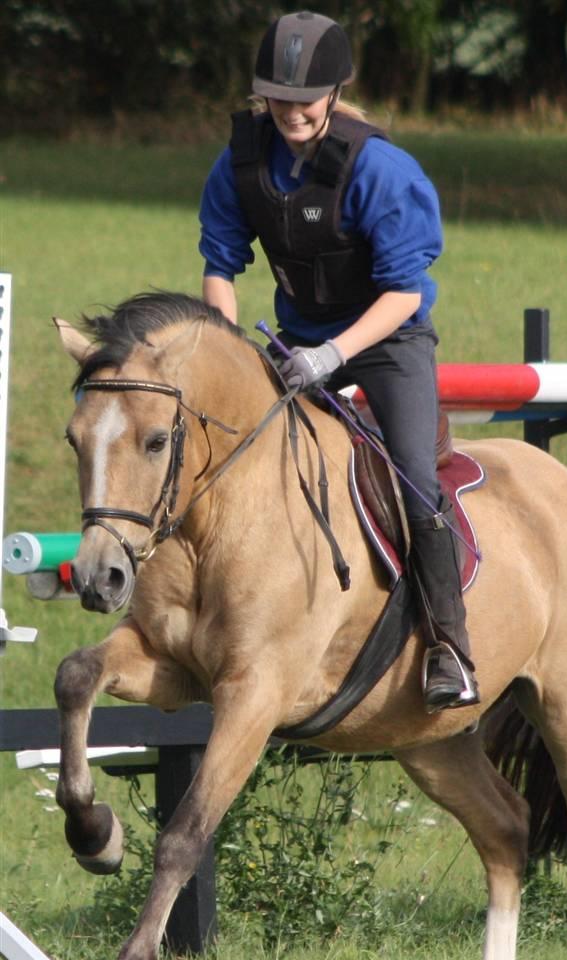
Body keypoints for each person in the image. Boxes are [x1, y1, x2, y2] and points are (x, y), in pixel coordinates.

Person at [199, 10, 479, 714]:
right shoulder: (239, 161)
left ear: (333, 92)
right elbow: (219, 266)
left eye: (305, 97)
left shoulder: (380, 167)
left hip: (386, 342)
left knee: (416, 479)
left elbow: (403, 292)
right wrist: (227, 350)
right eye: (277, 97)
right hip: (294, 340)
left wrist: (331, 354)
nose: (290, 111)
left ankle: (451, 645)